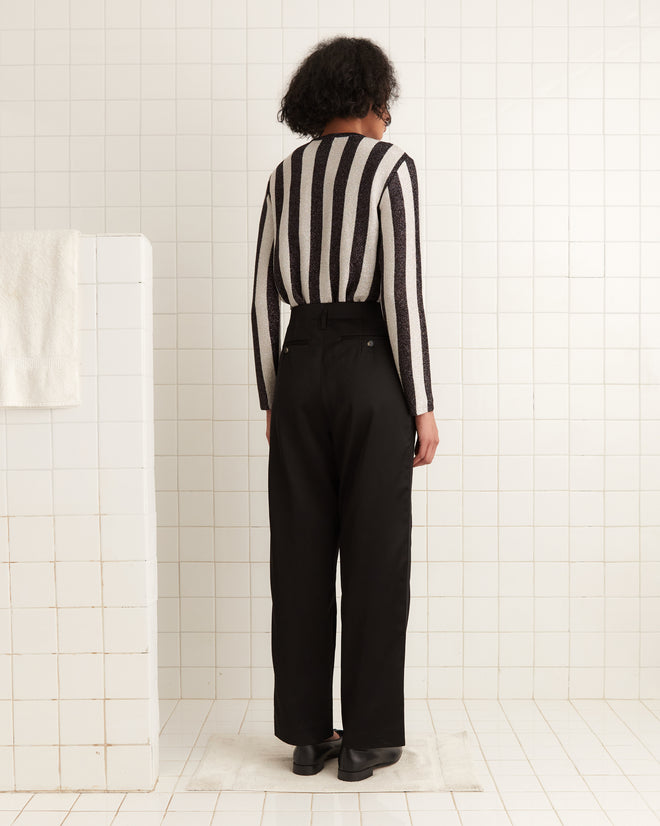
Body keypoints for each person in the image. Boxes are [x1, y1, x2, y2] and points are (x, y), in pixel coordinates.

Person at [250, 35, 439, 782]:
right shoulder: (391, 166)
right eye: (384, 101)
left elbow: (263, 293)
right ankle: (366, 742)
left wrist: (274, 394)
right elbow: (402, 291)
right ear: (365, 100)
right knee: (375, 556)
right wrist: (421, 402)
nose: (389, 117)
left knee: (297, 555)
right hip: (371, 371)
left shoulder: (284, 174)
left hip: (297, 369)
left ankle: (305, 735)